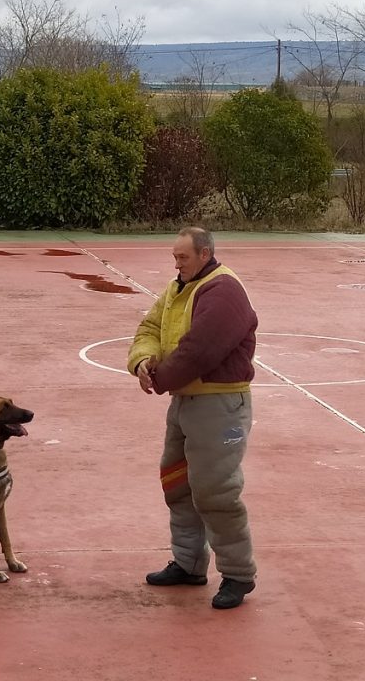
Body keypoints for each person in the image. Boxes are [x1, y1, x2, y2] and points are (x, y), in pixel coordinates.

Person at [127, 226, 258, 609]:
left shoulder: (223, 290)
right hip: (187, 401)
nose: (176, 264)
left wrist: (159, 378)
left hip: (219, 404)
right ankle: (188, 563)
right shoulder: (178, 287)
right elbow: (150, 327)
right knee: (178, 484)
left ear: (204, 254)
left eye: (183, 257)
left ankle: (238, 575)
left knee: (216, 491)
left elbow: (201, 351)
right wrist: (141, 363)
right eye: (174, 257)